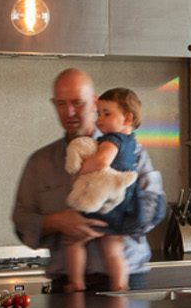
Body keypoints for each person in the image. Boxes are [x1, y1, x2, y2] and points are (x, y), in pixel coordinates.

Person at [14, 68, 166, 292]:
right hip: (66, 287)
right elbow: (21, 223)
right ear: (53, 104)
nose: (70, 112)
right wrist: (57, 222)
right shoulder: (40, 162)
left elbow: (156, 208)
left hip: (127, 283)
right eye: (62, 104)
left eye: (78, 102)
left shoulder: (132, 152)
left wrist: (111, 221)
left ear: (95, 102)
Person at [61, 87, 145, 292]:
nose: (100, 119)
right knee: (113, 250)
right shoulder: (131, 141)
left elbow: (101, 161)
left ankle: (76, 281)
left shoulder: (113, 139)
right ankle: (119, 285)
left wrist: (79, 172)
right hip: (122, 203)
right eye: (99, 113)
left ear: (127, 118)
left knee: (74, 240)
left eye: (107, 114)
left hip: (104, 199)